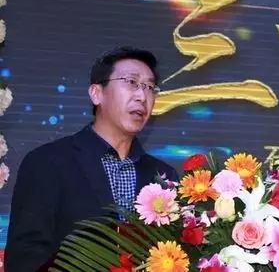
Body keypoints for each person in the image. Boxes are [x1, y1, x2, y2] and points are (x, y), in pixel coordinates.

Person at [4, 46, 179, 272]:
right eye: (131, 82)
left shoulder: (164, 176)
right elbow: (24, 258)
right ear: (96, 93)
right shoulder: (48, 162)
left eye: (149, 87)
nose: (142, 96)